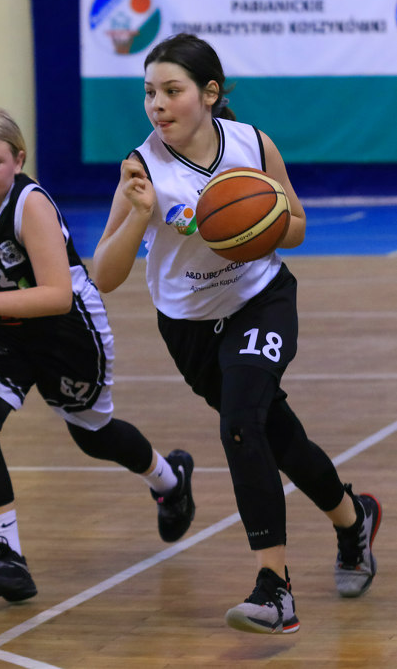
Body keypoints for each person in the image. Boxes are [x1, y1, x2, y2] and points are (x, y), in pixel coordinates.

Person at [92, 33, 382, 634]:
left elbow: (296, 226)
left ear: (209, 93)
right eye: (149, 92)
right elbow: (106, 276)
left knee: (242, 424)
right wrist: (140, 214)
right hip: (189, 328)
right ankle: (354, 519)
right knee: (278, 436)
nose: (157, 104)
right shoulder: (141, 167)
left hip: (259, 301)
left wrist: (255, 228)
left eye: (171, 90)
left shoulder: (251, 143)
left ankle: (274, 590)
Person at [0, 107, 195, 603]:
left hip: (67, 330)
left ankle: (170, 481)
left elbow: (57, 296)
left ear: (18, 161)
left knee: (93, 436)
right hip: (3, 329)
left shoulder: (30, 206)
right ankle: (7, 557)